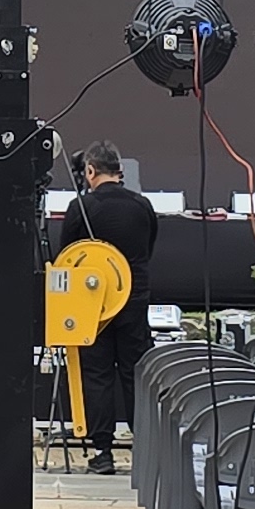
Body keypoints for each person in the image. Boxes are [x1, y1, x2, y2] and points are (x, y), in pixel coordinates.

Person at [69, 142, 161, 475]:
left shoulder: (81, 207)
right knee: (135, 372)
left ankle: (102, 451)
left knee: (97, 374)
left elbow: (69, 256)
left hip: (95, 304)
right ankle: (145, 449)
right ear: (119, 171)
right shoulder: (142, 205)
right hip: (134, 299)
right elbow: (148, 248)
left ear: (90, 170)